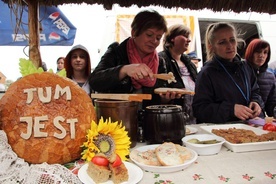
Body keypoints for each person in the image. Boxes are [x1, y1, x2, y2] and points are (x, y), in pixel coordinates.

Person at [192, 22, 264, 123]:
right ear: (211, 46)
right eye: (222, 42)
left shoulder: (246, 66)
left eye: (232, 40)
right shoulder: (207, 73)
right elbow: (200, 109)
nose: (229, 46)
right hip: (222, 132)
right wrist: (231, 110)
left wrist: (256, 102)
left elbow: (255, 91)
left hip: (249, 128)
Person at [89, 9, 167, 97]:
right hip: (117, 110)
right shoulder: (116, 52)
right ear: (134, 32)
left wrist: (166, 98)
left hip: (145, 111)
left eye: (158, 38)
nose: (154, 41)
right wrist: (124, 69)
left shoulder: (159, 62)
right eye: (149, 35)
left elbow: (158, 99)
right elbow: (95, 81)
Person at [151, 24, 198, 124]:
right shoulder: (160, 60)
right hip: (172, 119)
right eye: (185, 36)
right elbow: (155, 93)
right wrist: (165, 99)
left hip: (193, 117)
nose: (188, 40)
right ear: (172, 38)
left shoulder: (189, 63)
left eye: (188, 38)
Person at [245, 39, 276, 117]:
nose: (261, 55)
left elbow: (271, 104)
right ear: (250, 52)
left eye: (265, 52)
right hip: (239, 119)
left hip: (259, 121)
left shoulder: (270, 77)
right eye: (258, 51)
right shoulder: (241, 72)